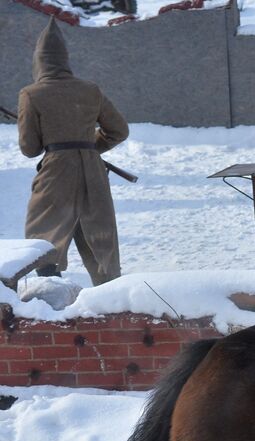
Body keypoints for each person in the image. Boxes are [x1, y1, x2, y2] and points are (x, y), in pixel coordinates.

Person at [17, 18, 128, 287]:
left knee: (44, 234)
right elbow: (118, 130)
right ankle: (111, 297)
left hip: (56, 173)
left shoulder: (31, 94)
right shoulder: (90, 90)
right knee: (99, 235)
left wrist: (58, 143)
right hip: (93, 171)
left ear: (38, 62)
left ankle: (49, 296)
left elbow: (29, 148)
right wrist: (87, 148)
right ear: (65, 60)